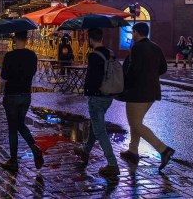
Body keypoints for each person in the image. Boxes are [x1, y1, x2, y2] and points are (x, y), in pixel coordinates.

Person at [119, 23, 175, 171]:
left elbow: (133, 71)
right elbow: (163, 68)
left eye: (133, 32)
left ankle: (163, 149)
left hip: (137, 92)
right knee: (136, 122)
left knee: (136, 124)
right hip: (152, 92)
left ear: (137, 32)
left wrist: (124, 83)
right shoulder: (156, 47)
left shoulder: (136, 48)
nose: (132, 35)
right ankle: (132, 151)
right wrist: (151, 75)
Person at [73, 28, 119, 177]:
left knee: (100, 130)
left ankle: (112, 164)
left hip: (97, 97)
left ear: (91, 40)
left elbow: (93, 78)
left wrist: (87, 89)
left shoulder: (94, 56)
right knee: (95, 124)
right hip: (108, 95)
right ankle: (86, 151)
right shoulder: (110, 53)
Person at [0, 31, 44, 172]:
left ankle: (13, 160)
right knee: (20, 124)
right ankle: (34, 148)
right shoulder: (32, 56)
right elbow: (32, 72)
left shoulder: (9, 56)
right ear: (26, 39)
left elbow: (4, 76)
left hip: (12, 95)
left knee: (13, 128)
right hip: (25, 95)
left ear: (14, 39)